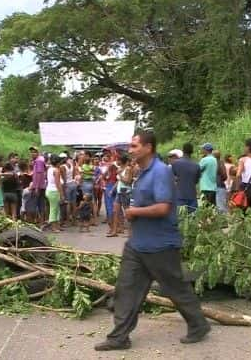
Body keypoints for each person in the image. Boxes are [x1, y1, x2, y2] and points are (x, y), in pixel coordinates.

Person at [96, 133, 209, 351]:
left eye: (134, 145)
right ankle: (119, 337)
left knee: (175, 287)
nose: (130, 149)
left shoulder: (160, 172)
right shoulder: (143, 172)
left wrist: (134, 211)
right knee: (126, 289)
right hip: (138, 245)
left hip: (160, 245)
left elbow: (164, 207)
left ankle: (198, 324)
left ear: (148, 148)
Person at [171, 143, 201, 212]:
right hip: (192, 196)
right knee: (193, 219)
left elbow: (171, 178)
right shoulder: (196, 165)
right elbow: (196, 181)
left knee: (180, 218)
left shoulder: (176, 163)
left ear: (183, 151)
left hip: (179, 196)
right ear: (192, 151)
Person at [111, 153, 134, 237]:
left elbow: (128, 181)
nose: (117, 161)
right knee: (115, 211)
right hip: (119, 192)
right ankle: (114, 231)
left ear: (121, 161)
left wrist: (120, 174)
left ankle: (130, 232)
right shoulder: (120, 168)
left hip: (125, 192)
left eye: (118, 160)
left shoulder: (128, 169)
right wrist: (113, 189)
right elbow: (119, 181)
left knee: (127, 212)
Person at [45, 155, 63, 232]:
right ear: (58, 162)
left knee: (56, 209)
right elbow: (58, 183)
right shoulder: (56, 170)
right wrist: (62, 194)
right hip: (54, 191)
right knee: (54, 209)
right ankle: (53, 227)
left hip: (49, 190)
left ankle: (57, 226)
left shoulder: (50, 169)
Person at [29, 146, 47, 225]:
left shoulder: (39, 161)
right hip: (40, 186)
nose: (32, 153)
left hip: (38, 186)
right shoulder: (37, 160)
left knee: (37, 204)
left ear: (38, 153)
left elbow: (39, 174)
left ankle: (40, 222)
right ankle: (41, 221)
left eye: (34, 152)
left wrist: (36, 187)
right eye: (31, 152)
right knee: (40, 204)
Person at [198, 143, 217, 207]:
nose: (202, 150)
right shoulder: (214, 159)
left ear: (206, 150)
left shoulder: (204, 160)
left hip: (206, 187)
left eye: (203, 149)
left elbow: (197, 170)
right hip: (213, 188)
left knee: (205, 209)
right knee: (213, 207)